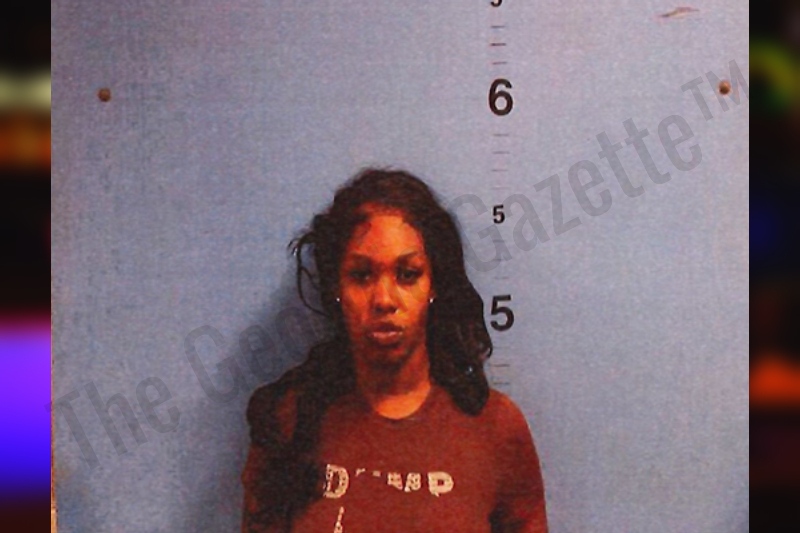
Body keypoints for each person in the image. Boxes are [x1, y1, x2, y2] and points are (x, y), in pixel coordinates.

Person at [241, 168, 548, 532]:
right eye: (361, 275)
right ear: (336, 288)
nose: (384, 300)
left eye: (407, 274)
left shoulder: (495, 428)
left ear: (434, 285)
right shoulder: (288, 424)